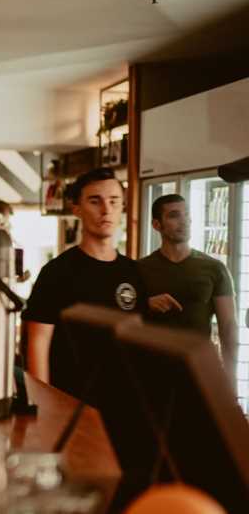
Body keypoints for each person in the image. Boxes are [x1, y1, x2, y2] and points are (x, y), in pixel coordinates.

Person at [22, 168, 147, 397]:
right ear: (76, 208)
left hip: (124, 404)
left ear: (122, 207)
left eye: (113, 201)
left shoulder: (133, 272)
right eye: (95, 201)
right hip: (70, 404)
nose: (106, 210)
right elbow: (38, 343)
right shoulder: (57, 272)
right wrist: (41, 404)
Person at [138, 194, 237, 384]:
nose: (184, 222)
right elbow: (120, 317)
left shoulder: (215, 269)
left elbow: (228, 327)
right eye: (174, 215)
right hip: (151, 374)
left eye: (187, 215)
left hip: (200, 374)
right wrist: (145, 304)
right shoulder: (139, 269)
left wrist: (231, 381)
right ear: (156, 225)